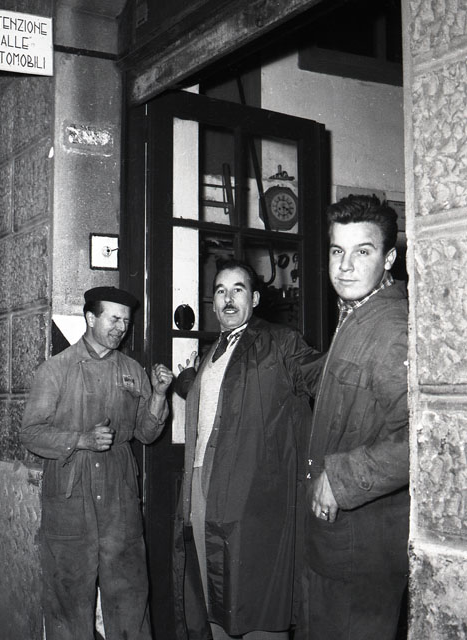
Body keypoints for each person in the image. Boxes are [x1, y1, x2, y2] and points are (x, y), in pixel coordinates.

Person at [173, 259, 322, 640]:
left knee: (256, 603)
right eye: (220, 291)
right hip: (202, 489)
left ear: (254, 299)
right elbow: (217, 396)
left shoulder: (280, 342)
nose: (228, 298)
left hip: (253, 495)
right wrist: (182, 380)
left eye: (237, 289)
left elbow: (322, 378)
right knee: (214, 598)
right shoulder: (212, 352)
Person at [21, 286, 173, 640]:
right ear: (91, 318)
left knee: (130, 593)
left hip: (120, 495)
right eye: (114, 319)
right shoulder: (56, 370)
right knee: (68, 596)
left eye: (126, 321)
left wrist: (159, 395)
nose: (122, 327)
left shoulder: (132, 370)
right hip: (70, 493)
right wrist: (80, 440)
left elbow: (147, 434)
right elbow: (30, 434)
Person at [296, 195, 409, 640]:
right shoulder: (357, 315)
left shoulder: (391, 330)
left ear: (389, 259)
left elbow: (423, 439)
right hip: (337, 541)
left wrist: (342, 477)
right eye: (336, 250)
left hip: (362, 547)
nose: (345, 266)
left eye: (363, 251)